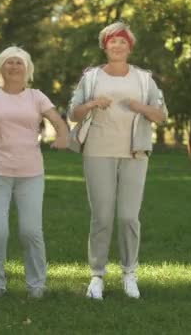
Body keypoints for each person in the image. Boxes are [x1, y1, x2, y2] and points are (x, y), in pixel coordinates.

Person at [68, 22, 168, 300]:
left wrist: (140, 107)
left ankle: (129, 273)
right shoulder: (90, 78)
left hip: (135, 153)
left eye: (122, 41)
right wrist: (91, 104)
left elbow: (161, 115)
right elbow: (73, 113)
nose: (117, 45)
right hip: (97, 151)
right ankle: (97, 276)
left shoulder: (144, 79)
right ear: (105, 45)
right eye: (112, 41)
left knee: (127, 217)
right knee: (101, 217)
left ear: (129, 46)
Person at [0, 46, 69, 299]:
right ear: (1, 68)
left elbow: (57, 120)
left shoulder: (36, 96)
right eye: (8, 62)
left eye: (18, 62)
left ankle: (36, 285)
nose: (13, 66)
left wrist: (63, 136)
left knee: (31, 231)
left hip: (30, 172)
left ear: (27, 69)